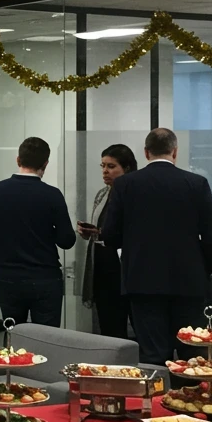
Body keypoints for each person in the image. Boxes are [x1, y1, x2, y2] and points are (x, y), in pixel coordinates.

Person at [102, 128, 212, 367]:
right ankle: (190, 399)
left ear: (146, 152)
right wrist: (202, 270)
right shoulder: (196, 183)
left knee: (153, 355)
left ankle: (156, 401)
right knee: (192, 354)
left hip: (142, 282)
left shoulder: (125, 185)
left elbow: (110, 236)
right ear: (175, 152)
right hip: (189, 282)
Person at [0, 137, 76, 327]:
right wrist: (46, 231)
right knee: (47, 340)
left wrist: (3, 226)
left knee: (14, 337)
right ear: (45, 163)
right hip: (45, 278)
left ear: (18, 160)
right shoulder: (52, 194)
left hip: (10, 278)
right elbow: (67, 240)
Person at [78, 144, 138, 338]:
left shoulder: (134, 194)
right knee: (109, 329)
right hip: (103, 268)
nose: (105, 171)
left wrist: (102, 232)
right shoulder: (103, 194)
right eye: (103, 166)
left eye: (111, 166)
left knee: (137, 327)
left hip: (127, 268)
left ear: (127, 168)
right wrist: (92, 232)